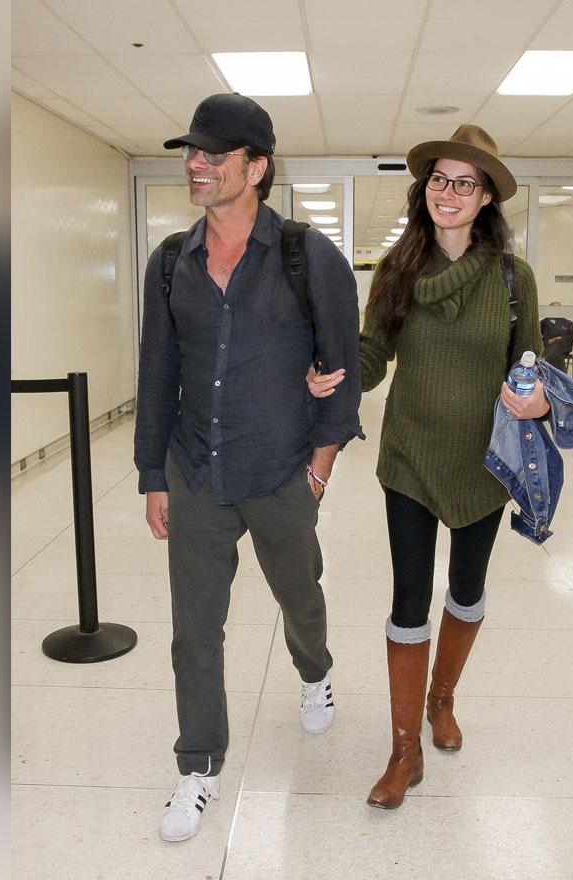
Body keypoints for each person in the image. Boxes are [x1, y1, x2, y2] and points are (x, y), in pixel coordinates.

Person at [133, 93, 363, 842]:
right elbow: (157, 368)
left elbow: (344, 367)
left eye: (214, 154)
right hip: (196, 468)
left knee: (299, 593)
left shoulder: (306, 256)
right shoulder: (171, 261)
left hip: (281, 469)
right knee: (194, 631)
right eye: (191, 152)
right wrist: (152, 473)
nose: (196, 165)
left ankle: (315, 668)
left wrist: (320, 469)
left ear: (256, 168)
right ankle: (197, 764)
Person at [308, 124, 549, 808]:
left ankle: (442, 699)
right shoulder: (399, 270)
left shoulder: (512, 277)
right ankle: (404, 750)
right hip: (409, 457)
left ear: (485, 198)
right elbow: (373, 354)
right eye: (439, 179)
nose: (449, 192)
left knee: (466, 591)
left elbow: (529, 364)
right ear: (425, 191)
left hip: (485, 464)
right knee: (408, 599)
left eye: (464, 183)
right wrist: (337, 376)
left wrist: (532, 400)